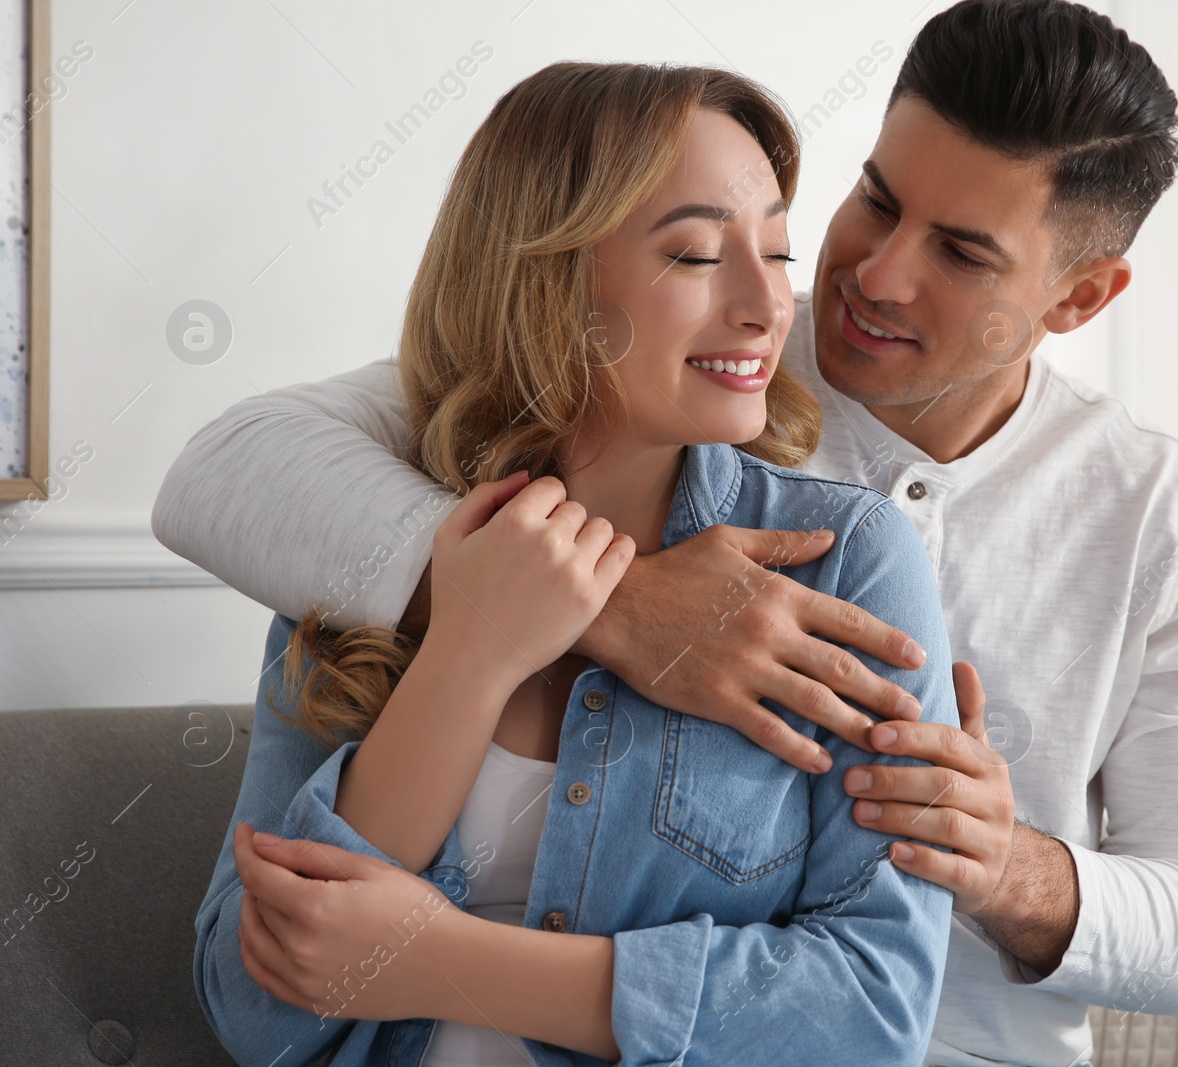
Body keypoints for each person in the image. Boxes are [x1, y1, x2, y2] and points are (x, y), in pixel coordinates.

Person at [158, 3, 1178, 1065]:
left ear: (1079, 299)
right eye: (875, 201)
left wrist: (1003, 866)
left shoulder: (1160, 517)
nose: (873, 276)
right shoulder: (676, 370)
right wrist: (612, 606)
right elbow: (229, 464)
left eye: (962, 254)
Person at [187, 61, 961, 1067]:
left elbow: (869, 1013)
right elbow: (253, 1015)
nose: (769, 305)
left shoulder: (845, 563)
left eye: (775, 250)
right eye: (693, 253)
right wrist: (470, 648)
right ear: (545, 280)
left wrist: (437, 959)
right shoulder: (362, 537)